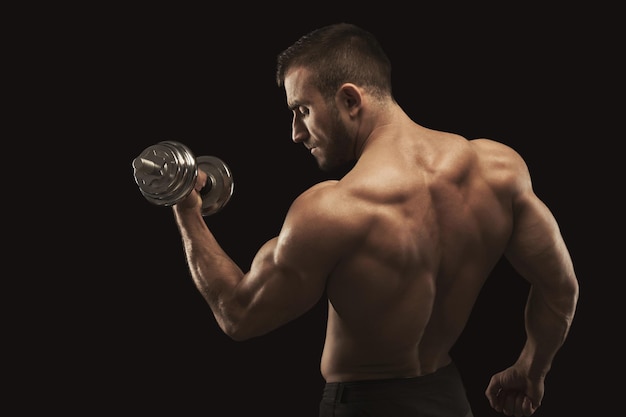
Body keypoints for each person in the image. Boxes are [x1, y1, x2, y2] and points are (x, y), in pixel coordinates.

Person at [171, 23, 579, 417]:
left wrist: (186, 209)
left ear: (350, 100)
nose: (296, 132)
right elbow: (561, 289)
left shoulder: (333, 210)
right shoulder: (499, 169)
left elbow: (238, 315)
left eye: (303, 109)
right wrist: (531, 369)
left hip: (364, 406)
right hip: (448, 399)